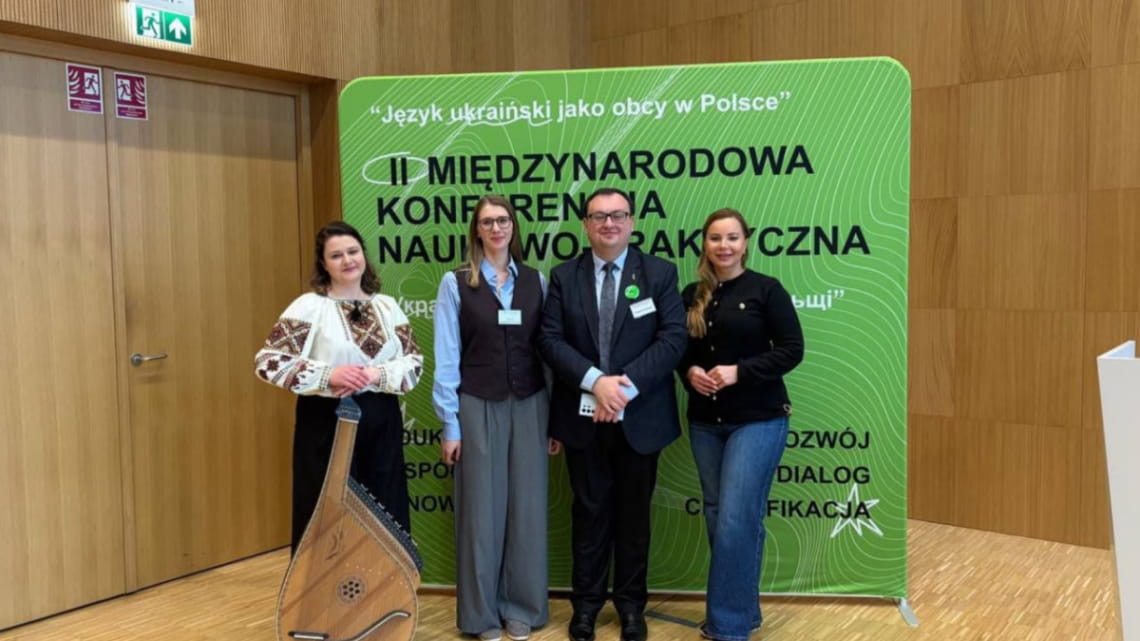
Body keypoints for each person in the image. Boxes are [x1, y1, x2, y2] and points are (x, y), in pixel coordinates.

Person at [539, 187, 687, 641]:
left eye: (617, 215)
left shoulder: (660, 272)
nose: (609, 223)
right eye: (599, 216)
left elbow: (673, 338)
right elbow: (549, 340)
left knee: (634, 518)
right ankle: (585, 607)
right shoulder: (564, 276)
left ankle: (630, 607)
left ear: (632, 222)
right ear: (586, 225)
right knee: (588, 514)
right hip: (583, 418)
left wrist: (620, 389)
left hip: (640, 418)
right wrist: (595, 382)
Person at [432, 195, 558, 641]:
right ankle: (482, 615)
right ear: (476, 230)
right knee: (480, 516)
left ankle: (521, 608)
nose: (496, 228)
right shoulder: (455, 283)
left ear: (513, 227)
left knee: (527, 510)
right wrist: (450, 424)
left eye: (503, 220)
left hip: (531, 404)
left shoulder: (536, 281)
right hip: (477, 404)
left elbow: (547, 353)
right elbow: (447, 355)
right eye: (487, 222)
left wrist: (555, 420)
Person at [254, 221, 422, 551]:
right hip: (327, 421)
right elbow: (267, 361)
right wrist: (328, 375)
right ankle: (325, 583)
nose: (347, 260)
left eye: (352, 251)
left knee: (384, 506)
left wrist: (375, 374)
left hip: (380, 422)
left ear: (363, 255)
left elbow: (413, 362)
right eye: (336, 255)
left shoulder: (387, 307)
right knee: (327, 510)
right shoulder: (309, 307)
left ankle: (384, 583)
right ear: (324, 263)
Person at [677, 208, 804, 641]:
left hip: (758, 420)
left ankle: (727, 628)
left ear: (746, 242)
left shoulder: (767, 290)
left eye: (732, 237)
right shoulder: (691, 294)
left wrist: (739, 372)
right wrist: (690, 372)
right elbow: (680, 351)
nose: (724, 246)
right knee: (719, 518)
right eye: (715, 238)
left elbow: (792, 350)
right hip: (705, 423)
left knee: (735, 520)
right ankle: (742, 612)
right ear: (705, 244)